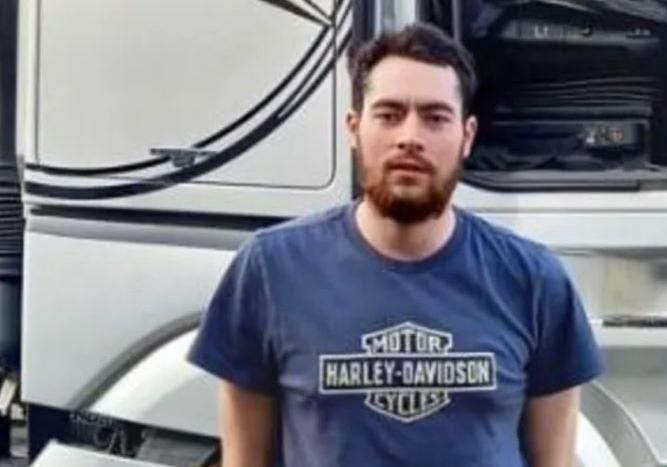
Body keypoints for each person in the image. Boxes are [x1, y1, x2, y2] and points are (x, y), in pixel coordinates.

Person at [188, 23, 603, 467]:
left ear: (467, 136)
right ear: (354, 128)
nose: (410, 136)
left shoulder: (534, 280)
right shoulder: (270, 270)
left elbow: (553, 461)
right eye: (388, 114)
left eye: (435, 117)